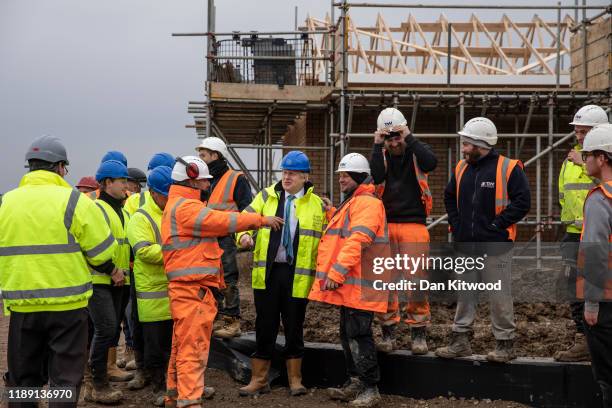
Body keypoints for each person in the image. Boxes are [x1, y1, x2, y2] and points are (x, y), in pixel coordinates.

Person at [0, 135, 117, 408]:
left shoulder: (7, 202)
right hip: (68, 308)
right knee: (64, 380)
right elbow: (103, 253)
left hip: (22, 305)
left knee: (23, 379)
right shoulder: (76, 201)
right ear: (61, 167)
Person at [161, 156, 283, 408]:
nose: (208, 186)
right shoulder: (186, 208)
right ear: (192, 180)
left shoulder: (179, 204)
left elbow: (214, 218)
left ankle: (175, 395)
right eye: (205, 181)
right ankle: (190, 401)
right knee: (193, 348)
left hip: (190, 288)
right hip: (192, 289)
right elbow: (223, 221)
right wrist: (261, 220)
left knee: (182, 345)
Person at [436, 117, 531, 363]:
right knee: (465, 294)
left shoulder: (508, 168)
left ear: (481, 144)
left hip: (496, 245)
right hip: (466, 245)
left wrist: (497, 224)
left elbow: (523, 203)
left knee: (499, 296)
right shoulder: (461, 168)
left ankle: (505, 345)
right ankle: (460, 342)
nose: (463, 148)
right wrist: (457, 226)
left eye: (467, 144)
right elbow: (449, 197)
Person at [236, 151, 329, 397]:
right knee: (264, 325)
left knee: (294, 325)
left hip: (297, 276)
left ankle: (295, 380)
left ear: (304, 177)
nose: (287, 178)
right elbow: (243, 219)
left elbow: (326, 240)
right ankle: (259, 379)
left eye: (293, 174)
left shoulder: (317, 204)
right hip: (267, 273)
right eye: (285, 173)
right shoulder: (266, 196)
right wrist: (244, 235)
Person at [309, 153, 388, 408]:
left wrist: (336, 272)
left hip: (360, 284)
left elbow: (358, 240)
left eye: (345, 175)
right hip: (354, 284)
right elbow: (346, 231)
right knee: (348, 334)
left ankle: (369, 388)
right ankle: (356, 381)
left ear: (358, 177)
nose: (341, 179)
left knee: (359, 335)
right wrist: (332, 209)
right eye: (340, 175)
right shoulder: (355, 202)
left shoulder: (367, 203)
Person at [370, 107, 437, 354]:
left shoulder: (417, 152)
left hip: (414, 226)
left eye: (397, 135)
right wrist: (377, 145)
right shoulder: (381, 155)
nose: (394, 141)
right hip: (385, 226)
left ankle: (418, 334)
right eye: (389, 137)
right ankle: (388, 333)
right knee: (384, 283)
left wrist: (408, 136)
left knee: (416, 282)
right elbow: (376, 176)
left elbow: (432, 162)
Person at [555, 105, 608, 362]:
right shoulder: (570, 160)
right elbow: (564, 195)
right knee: (572, 287)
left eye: (584, 131)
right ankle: (582, 337)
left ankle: (596, 338)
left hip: (598, 232)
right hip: (574, 232)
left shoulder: (600, 159)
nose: (578, 136)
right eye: (577, 132)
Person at [86, 159, 134, 404]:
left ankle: (95, 381)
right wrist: (110, 269)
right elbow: (89, 245)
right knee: (104, 330)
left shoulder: (123, 211)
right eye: (122, 180)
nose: (126, 185)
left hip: (119, 280)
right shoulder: (96, 209)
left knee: (110, 329)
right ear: (107, 183)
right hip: (100, 279)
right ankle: (97, 385)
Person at [196, 137, 253, 338]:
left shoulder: (236, 179)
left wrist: (244, 234)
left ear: (215, 155)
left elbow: (247, 210)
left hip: (225, 238)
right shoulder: (203, 181)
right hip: (206, 239)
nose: (200, 158)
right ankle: (214, 319)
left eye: (203, 155)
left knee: (228, 279)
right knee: (209, 281)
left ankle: (232, 322)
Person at [127, 166, 174, 406]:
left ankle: (178, 387)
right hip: (152, 296)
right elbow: (144, 251)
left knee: (175, 346)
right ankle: (159, 388)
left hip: (175, 292)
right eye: (167, 194)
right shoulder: (140, 218)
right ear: (154, 193)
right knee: (155, 348)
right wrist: (177, 252)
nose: (170, 199)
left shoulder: (173, 212)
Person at [577, 123, 612, 408]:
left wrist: (591, 302)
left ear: (602, 158)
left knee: (607, 372)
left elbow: (596, 254)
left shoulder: (600, 199)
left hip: (606, 301)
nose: (583, 158)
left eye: (588, 154)